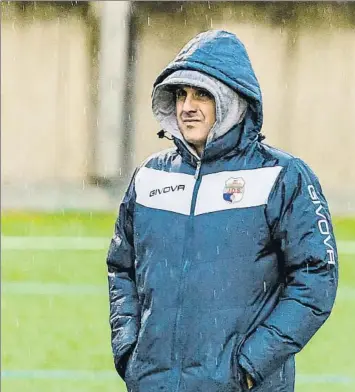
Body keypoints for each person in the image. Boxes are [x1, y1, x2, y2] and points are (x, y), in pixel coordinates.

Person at [107, 30, 338, 392]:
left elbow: (315, 279)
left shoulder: (281, 176)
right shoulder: (150, 176)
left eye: (202, 94)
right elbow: (121, 267)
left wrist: (249, 367)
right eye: (181, 94)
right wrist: (129, 351)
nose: (187, 106)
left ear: (232, 100)